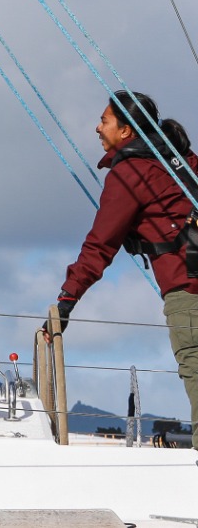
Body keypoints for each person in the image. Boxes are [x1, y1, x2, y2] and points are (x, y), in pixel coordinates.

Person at [55, 91, 198, 430]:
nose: (97, 128)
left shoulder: (128, 174)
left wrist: (66, 301)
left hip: (188, 291)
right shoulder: (185, 159)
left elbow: (100, 246)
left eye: (104, 121)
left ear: (126, 132)